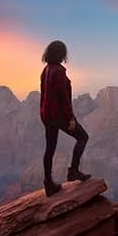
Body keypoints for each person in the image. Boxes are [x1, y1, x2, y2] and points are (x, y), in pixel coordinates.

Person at [39, 40, 90, 196]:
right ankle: (73, 171)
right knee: (83, 137)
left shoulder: (46, 70)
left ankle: (48, 183)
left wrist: (44, 115)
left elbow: (44, 94)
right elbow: (64, 99)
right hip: (59, 115)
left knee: (50, 148)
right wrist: (71, 119)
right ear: (61, 54)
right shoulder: (59, 72)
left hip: (47, 115)